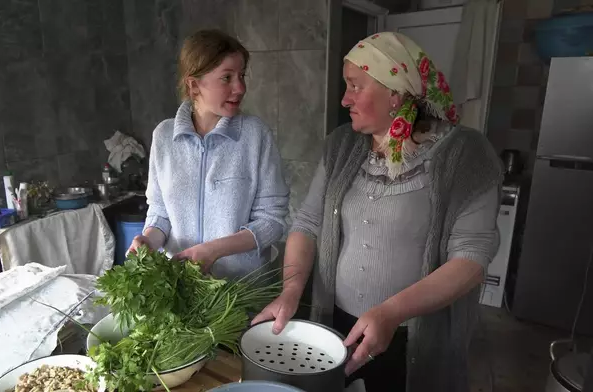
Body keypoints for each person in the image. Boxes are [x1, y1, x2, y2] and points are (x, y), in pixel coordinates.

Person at [253, 32, 503, 392]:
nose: (344, 99)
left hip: (411, 334)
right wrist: (291, 290)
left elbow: (471, 257)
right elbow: (307, 223)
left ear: (395, 92)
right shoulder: (342, 144)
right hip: (337, 322)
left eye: (355, 86)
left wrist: (391, 312)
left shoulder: (465, 155)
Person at [128, 29, 290, 280]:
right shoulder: (164, 136)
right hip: (182, 285)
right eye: (227, 78)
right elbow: (160, 212)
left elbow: (273, 221)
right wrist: (148, 241)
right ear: (194, 85)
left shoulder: (255, 135)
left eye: (242, 75)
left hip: (242, 290)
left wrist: (214, 250)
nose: (240, 88)